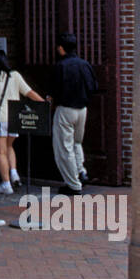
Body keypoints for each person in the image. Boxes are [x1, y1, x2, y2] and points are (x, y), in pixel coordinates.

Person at [0, 49, 46, 196]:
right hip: (14, 117)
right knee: (9, 146)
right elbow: (29, 92)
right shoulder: (15, 76)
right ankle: (14, 173)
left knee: (0, 151)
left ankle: (6, 184)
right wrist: (43, 104)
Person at [50, 32, 98, 195]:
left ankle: (73, 184)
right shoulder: (85, 64)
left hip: (65, 109)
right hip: (82, 109)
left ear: (61, 48)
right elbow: (93, 87)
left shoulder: (60, 66)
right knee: (77, 143)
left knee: (64, 148)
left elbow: (54, 90)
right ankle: (81, 171)